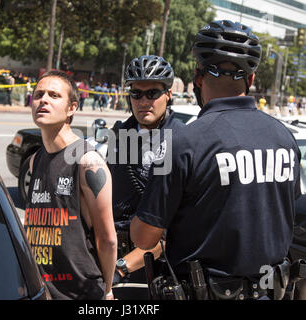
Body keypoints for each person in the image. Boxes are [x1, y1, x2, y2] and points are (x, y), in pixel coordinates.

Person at [130, 20, 302, 300]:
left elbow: (144, 238)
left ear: (198, 77)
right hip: (271, 293)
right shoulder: (283, 137)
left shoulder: (184, 142)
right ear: (252, 79)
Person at [24, 70, 117, 300]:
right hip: (43, 291)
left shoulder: (87, 161)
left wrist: (107, 290)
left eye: (54, 95)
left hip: (81, 294)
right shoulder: (36, 160)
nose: (43, 100)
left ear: (72, 108)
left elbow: (107, 239)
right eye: (38, 95)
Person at [107, 55, 185, 296]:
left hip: (153, 267)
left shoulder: (182, 141)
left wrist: (121, 268)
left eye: (152, 93)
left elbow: (175, 225)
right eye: (136, 94)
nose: (144, 101)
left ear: (168, 94)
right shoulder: (118, 135)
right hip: (110, 256)